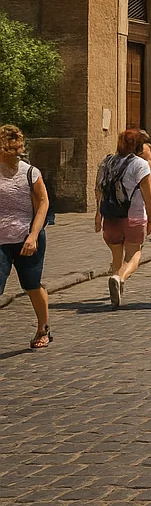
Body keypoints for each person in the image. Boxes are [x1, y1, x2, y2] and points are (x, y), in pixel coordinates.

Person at [0, 125, 51, 350]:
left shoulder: (30, 173)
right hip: (1, 239)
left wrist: (33, 235)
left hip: (26, 237)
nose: (12, 157)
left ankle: (43, 328)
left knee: (31, 285)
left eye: (15, 153)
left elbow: (43, 203)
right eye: (7, 153)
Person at [97, 129, 151, 308]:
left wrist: (98, 215)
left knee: (116, 253)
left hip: (110, 215)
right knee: (134, 254)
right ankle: (119, 277)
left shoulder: (106, 161)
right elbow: (149, 196)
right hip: (134, 216)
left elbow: (99, 188)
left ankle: (117, 287)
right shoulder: (140, 164)